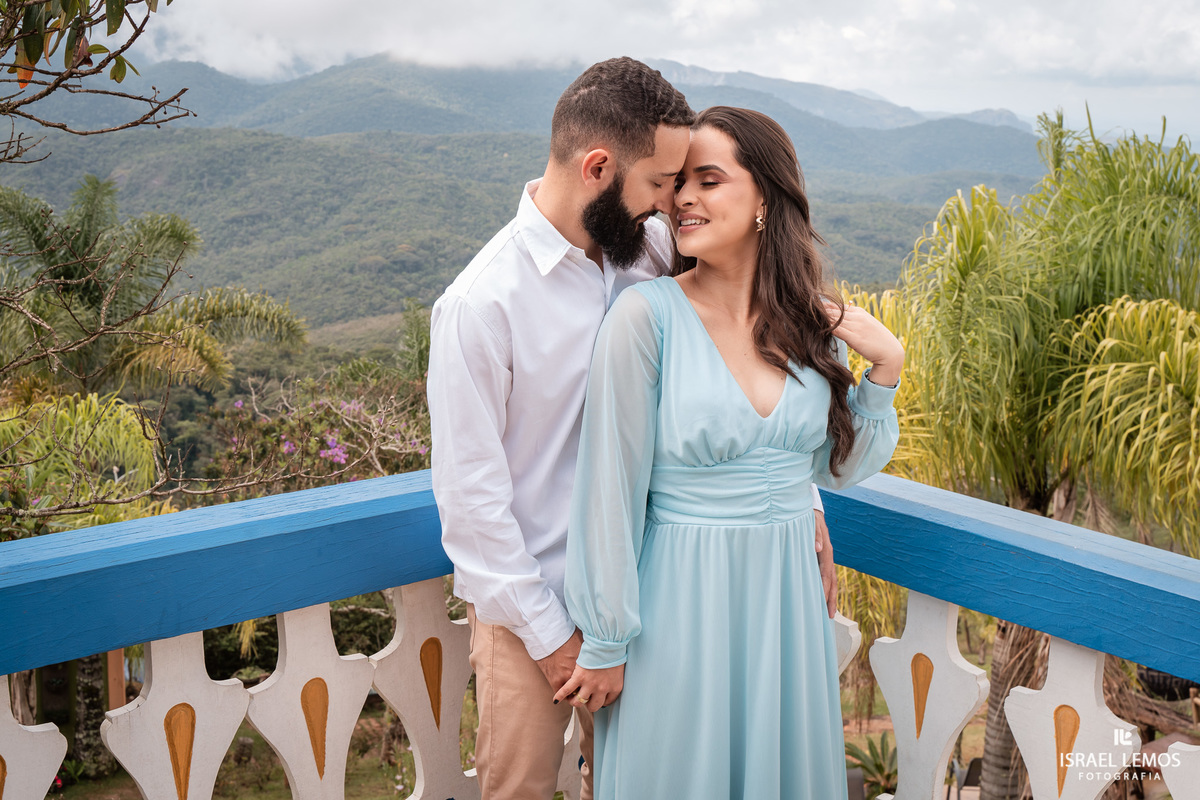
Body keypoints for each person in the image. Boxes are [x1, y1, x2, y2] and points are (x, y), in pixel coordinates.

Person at [428, 64, 836, 797]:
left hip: (648, 598)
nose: (669, 203)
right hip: (537, 612)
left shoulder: (643, 256)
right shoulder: (481, 306)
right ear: (598, 168)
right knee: (519, 788)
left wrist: (801, 499)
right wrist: (558, 644)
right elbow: (472, 508)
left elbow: (739, 382)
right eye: (658, 182)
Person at [556, 106, 904, 799]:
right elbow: (608, 492)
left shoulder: (812, 327)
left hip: (786, 608)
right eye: (678, 182)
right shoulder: (644, 317)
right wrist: (605, 638)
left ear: (765, 202)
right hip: (677, 604)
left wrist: (885, 369)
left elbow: (837, 467)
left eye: (709, 180)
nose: (683, 198)